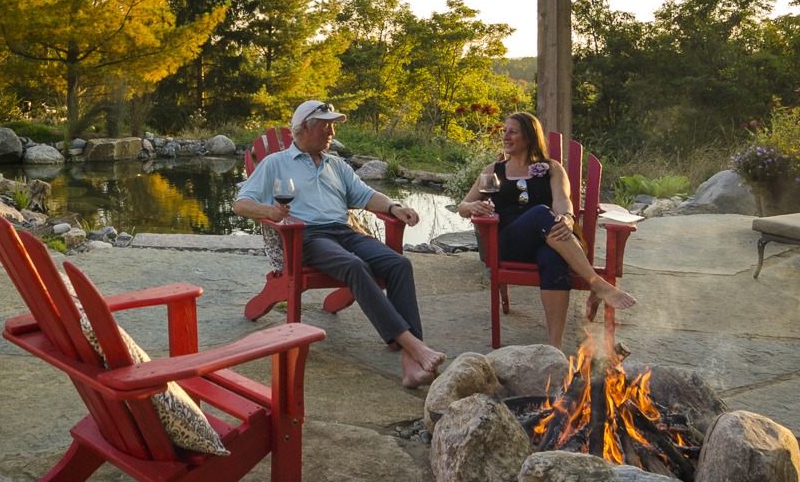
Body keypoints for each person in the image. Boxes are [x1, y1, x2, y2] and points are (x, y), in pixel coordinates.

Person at [234, 100, 448, 387]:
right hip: (307, 236)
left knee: (399, 264)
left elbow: (367, 195)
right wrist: (269, 212)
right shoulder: (276, 163)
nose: (332, 131)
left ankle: (410, 364)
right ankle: (415, 347)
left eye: (332, 124)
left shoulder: (337, 164)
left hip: (344, 233)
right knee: (354, 266)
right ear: (306, 128)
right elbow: (241, 204)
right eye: (326, 125)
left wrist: (395, 207)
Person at [458, 111, 635, 348]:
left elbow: (563, 200)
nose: (506, 137)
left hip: (548, 241)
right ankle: (596, 283)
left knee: (554, 261)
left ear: (529, 137)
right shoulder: (494, 170)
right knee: (541, 212)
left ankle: (555, 347)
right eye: (504, 132)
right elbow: (462, 206)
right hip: (510, 243)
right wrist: (473, 206)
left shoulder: (552, 168)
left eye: (513, 132)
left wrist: (567, 218)